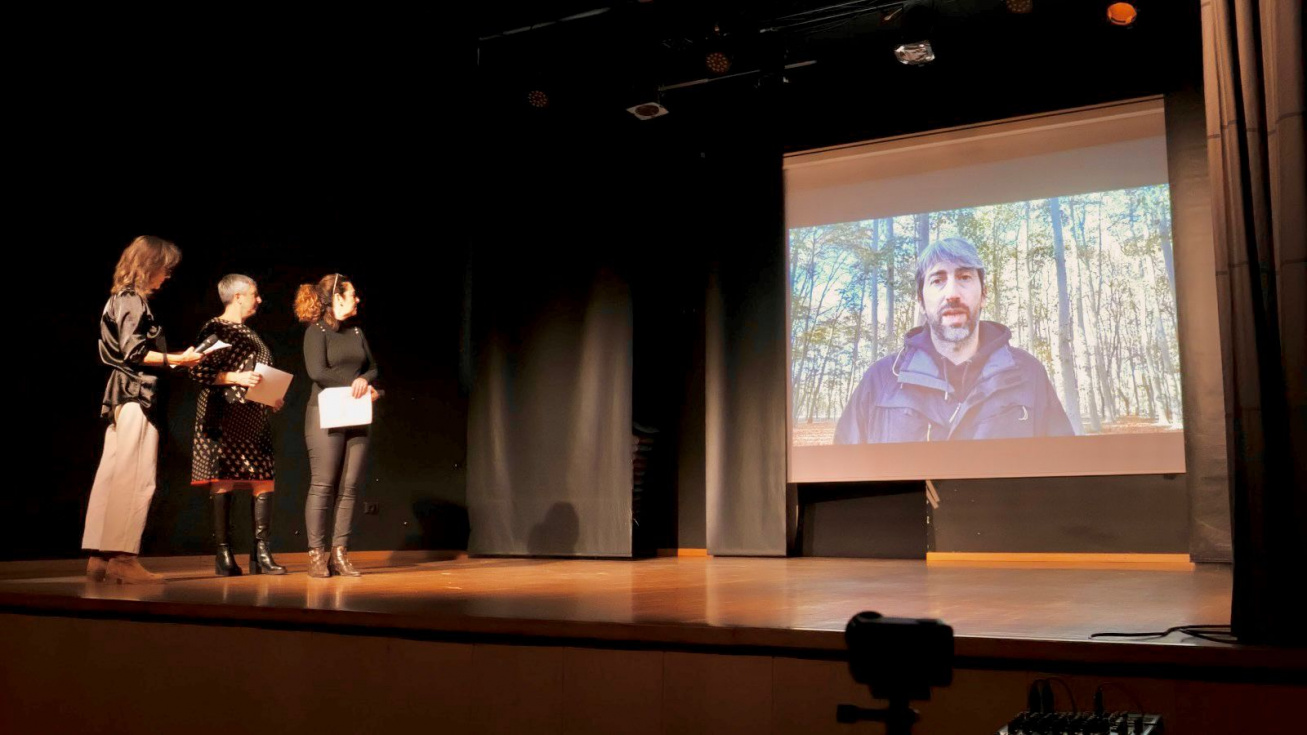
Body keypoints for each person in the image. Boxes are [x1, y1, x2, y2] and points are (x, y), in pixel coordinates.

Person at [835, 237, 1073, 444]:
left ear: (984, 295)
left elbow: (1064, 472)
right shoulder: (880, 381)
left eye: (965, 277)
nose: (952, 294)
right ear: (920, 300)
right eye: (937, 280)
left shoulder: (1029, 374)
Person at [83, 236, 204, 584]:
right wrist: (178, 359)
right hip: (135, 393)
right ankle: (123, 557)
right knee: (135, 476)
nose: (167, 276)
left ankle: (100, 556)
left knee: (112, 473)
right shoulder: (132, 300)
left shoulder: (116, 299)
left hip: (121, 394)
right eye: (165, 268)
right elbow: (134, 352)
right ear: (150, 266)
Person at [189, 274, 287, 576]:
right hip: (225, 414)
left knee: (263, 478)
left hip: (254, 415)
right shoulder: (216, 329)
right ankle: (224, 555)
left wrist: (271, 396)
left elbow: (258, 373)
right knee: (226, 477)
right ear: (239, 296)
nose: (259, 300)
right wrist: (236, 378)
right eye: (254, 294)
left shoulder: (250, 333)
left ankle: (261, 553)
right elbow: (197, 372)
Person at [294, 273, 380, 578]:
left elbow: (372, 367)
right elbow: (318, 371)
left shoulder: (356, 332)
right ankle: (316, 554)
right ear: (337, 298)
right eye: (352, 294)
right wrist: (355, 384)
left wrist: (364, 381)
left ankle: (340, 552)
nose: (357, 299)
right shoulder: (316, 332)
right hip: (325, 414)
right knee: (323, 484)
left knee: (350, 486)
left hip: (355, 413)